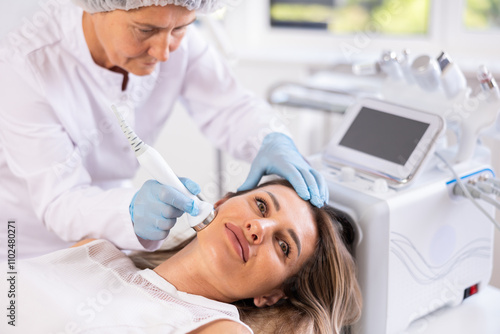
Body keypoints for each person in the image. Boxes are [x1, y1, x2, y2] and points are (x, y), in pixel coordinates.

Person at [0, 0, 329, 259]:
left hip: (109, 238)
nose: (163, 51)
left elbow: (230, 106)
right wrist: (128, 213)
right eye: (144, 31)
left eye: (182, 28)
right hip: (26, 244)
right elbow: (60, 198)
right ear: (96, 7)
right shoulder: (24, 63)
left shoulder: (175, 35)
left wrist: (271, 140)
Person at [0, 180, 361, 334]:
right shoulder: (95, 251)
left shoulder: (216, 328)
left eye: (283, 246)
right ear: (220, 203)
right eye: (261, 205)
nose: (259, 228)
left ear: (271, 295)